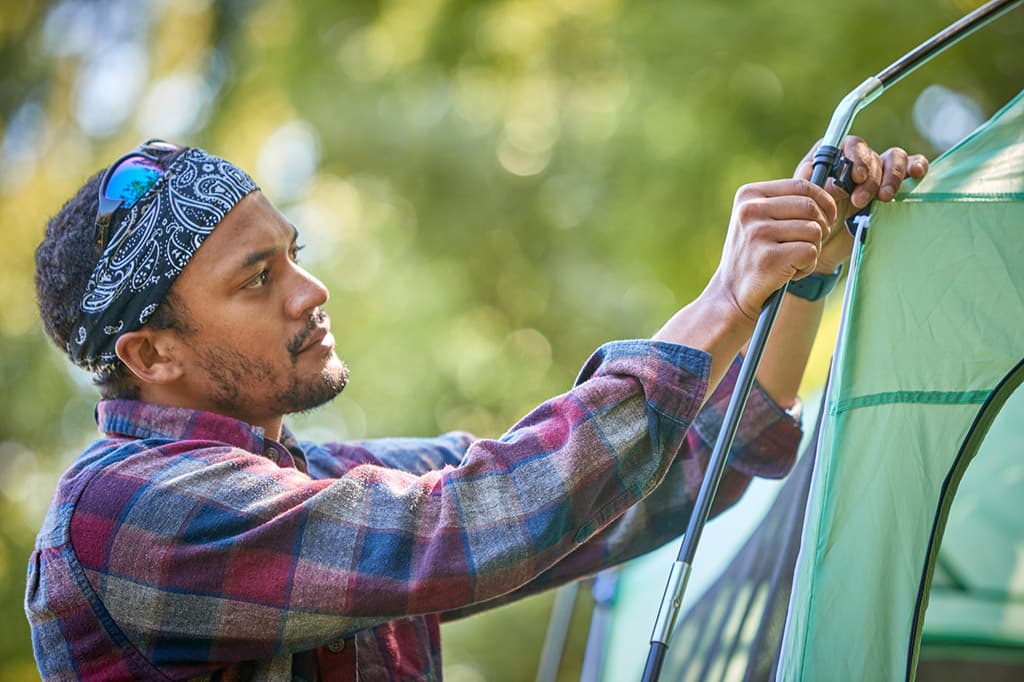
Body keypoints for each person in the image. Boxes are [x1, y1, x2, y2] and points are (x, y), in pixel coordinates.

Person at [26, 136, 926, 680]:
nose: (311, 290)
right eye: (259, 279)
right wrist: (723, 300)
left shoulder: (322, 484)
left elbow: (671, 475)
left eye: (292, 254)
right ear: (153, 355)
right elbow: (472, 518)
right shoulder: (123, 513)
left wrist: (800, 278)